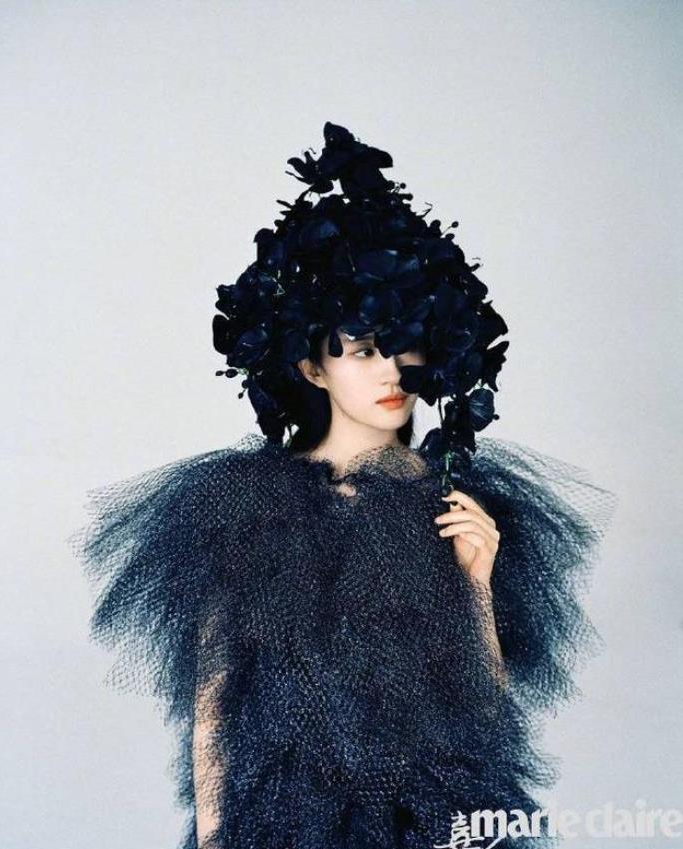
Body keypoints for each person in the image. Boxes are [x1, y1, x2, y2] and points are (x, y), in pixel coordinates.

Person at [69, 123, 617, 849]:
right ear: (311, 367)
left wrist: (477, 586)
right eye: (361, 350)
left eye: (405, 346)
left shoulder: (456, 502)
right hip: (288, 820)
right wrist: (214, 838)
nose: (393, 372)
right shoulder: (249, 507)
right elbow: (215, 701)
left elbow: (485, 720)